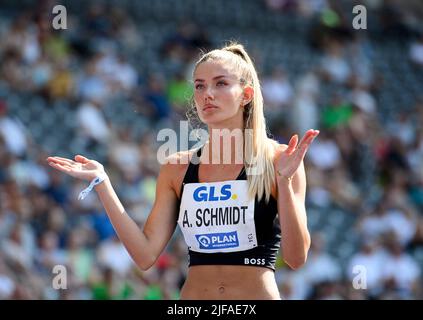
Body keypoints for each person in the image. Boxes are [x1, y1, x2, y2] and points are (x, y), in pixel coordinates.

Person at [46, 42, 319, 300]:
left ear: (246, 95)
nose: (206, 94)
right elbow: (144, 255)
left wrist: (284, 182)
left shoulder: (280, 159)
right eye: (199, 86)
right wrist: (102, 182)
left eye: (220, 83)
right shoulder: (176, 167)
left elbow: (296, 258)